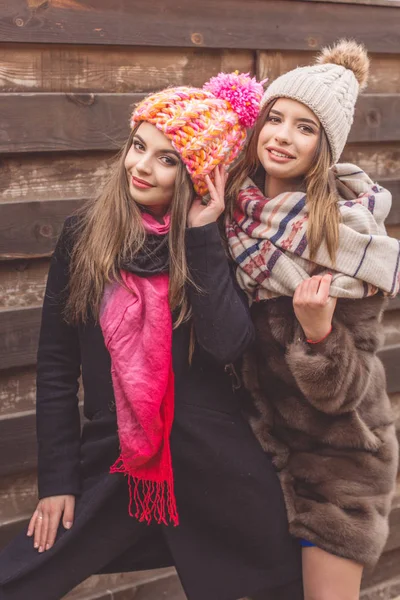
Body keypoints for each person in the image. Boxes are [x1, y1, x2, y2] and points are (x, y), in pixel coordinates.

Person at [0, 73, 304, 600]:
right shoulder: (84, 235)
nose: (141, 166)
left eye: (167, 158)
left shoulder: (221, 241)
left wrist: (205, 233)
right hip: (118, 462)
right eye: (139, 146)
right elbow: (55, 367)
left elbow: (229, 345)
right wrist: (57, 481)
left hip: (218, 469)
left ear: (197, 175)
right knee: (21, 578)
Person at [226, 40, 400, 600]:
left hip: (338, 465)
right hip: (254, 450)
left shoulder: (346, 240)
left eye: (305, 128)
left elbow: (346, 392)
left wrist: (319, 331)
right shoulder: (227, 216)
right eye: (274, 118)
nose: (281, 135)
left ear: (324, 148)